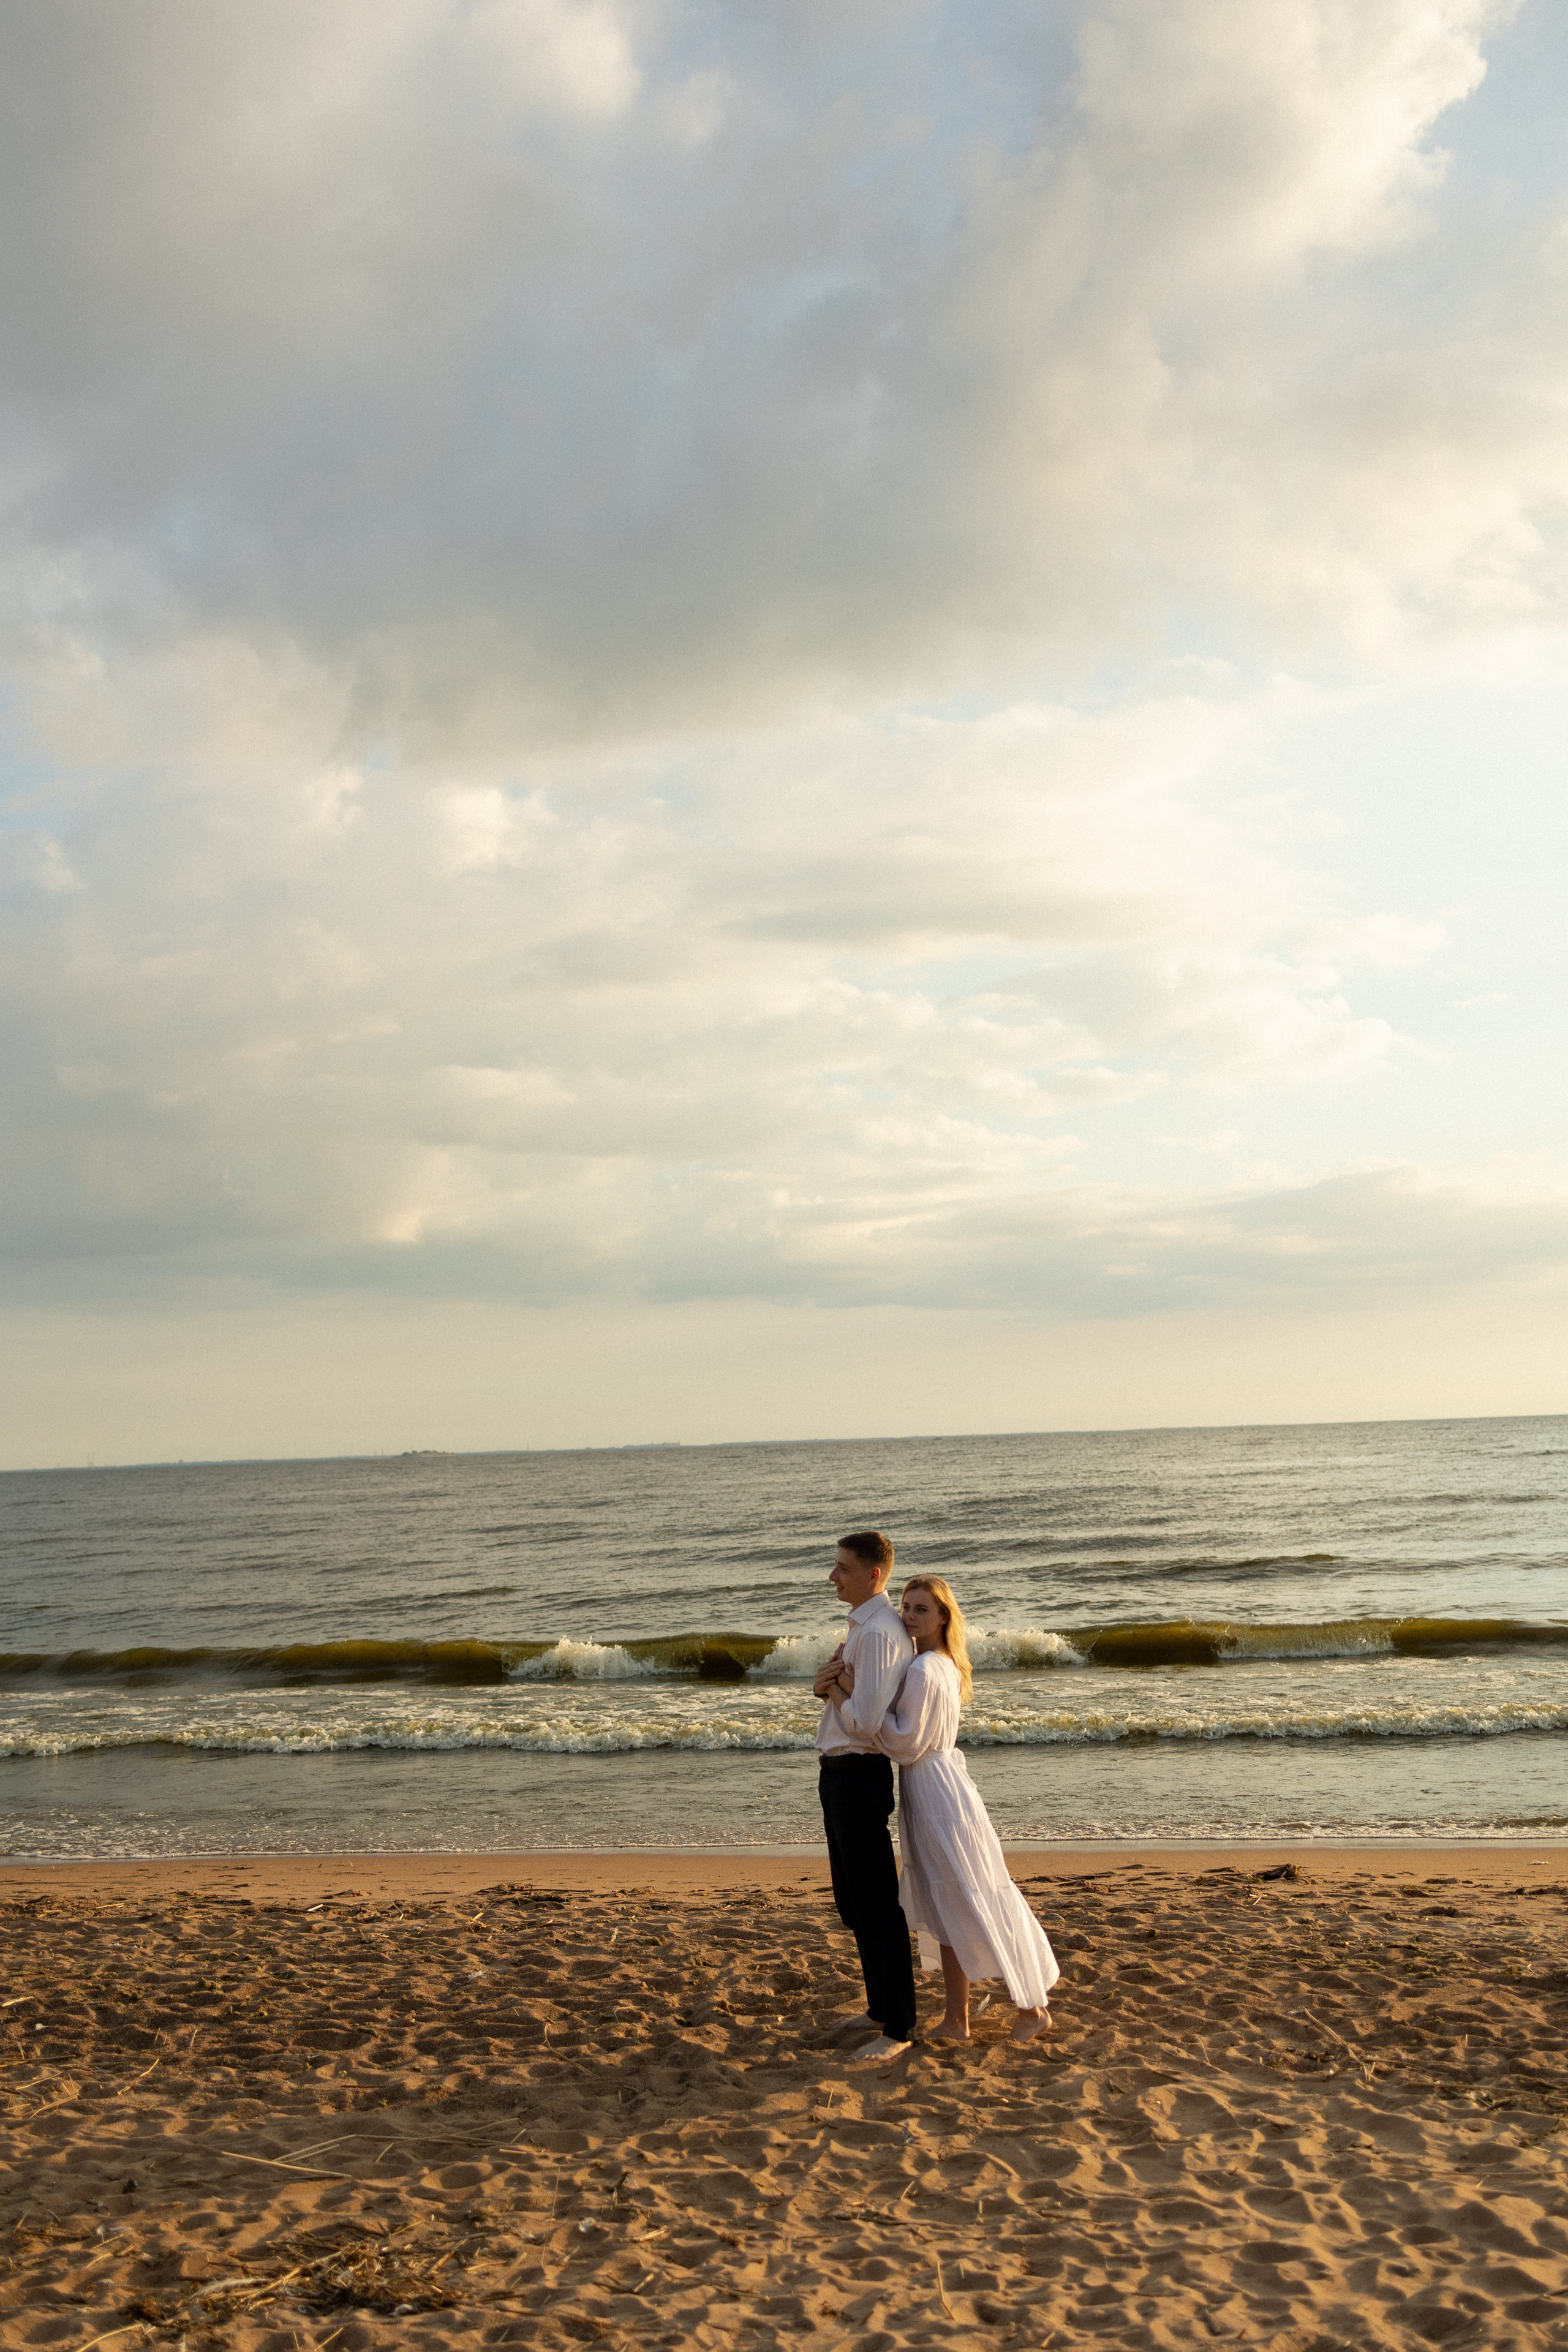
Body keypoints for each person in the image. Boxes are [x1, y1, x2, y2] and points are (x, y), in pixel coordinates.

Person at [841, 1574, 1058, 2043]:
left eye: (921, 1609)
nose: (909, 1616)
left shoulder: (923, 1670)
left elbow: (904, 1742)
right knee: (949, 1901)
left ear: (943, 1616)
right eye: (905, 1606)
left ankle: (1031, 2008)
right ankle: (957, 2019)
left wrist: (850, 1699)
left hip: (936, 1790)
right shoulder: (942, 1664)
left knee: (971, 1898)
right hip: (938, 1788)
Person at [813, 1530, 918, 2065]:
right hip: (840, 1774)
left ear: (874, 1575)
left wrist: (829, 1688)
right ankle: (879, 2008)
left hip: (858, 1773)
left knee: (875, 1905)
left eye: (842, 1568)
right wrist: (831, 1684)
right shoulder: (863, 1628)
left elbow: (865, 1722)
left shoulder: (877, 1635)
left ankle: (898, 2028)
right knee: (854, 1903)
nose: (833, 1576)